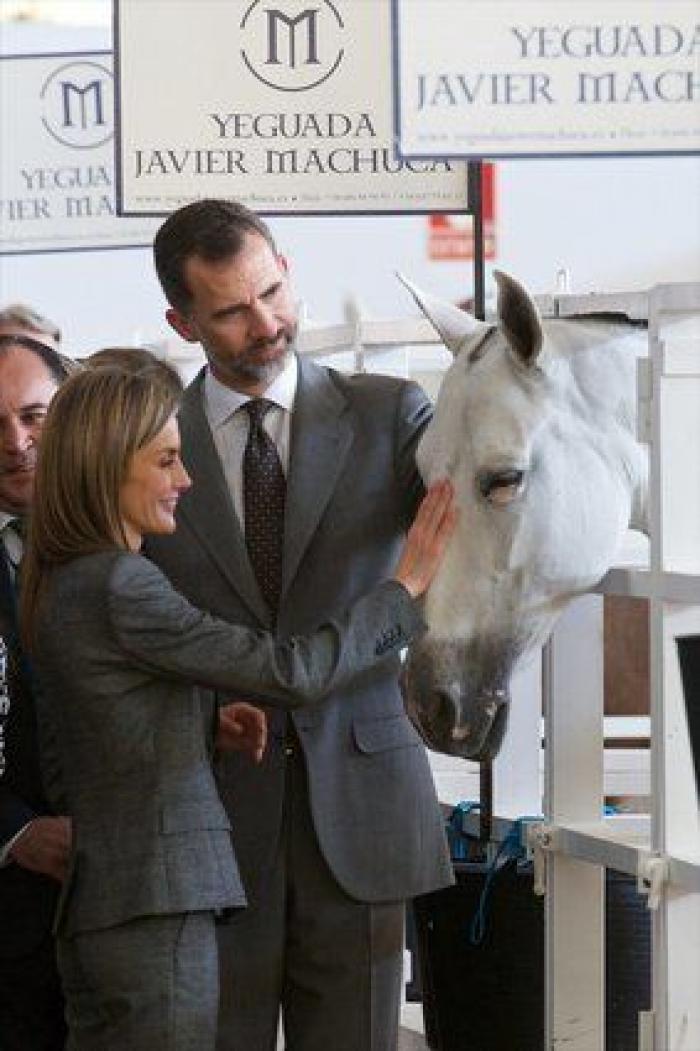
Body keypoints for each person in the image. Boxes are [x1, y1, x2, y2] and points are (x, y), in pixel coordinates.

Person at [20, 362, 455, 1051]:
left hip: (118, 908)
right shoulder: (123, 585)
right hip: (154, 912)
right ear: (106, 467)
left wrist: (201, 723)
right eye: (165, 460)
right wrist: (404, 588)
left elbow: (100, 727)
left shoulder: (69, 578)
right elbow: (290, 669)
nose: (185, 481)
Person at [148, 198, 456, 1051]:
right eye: (233, 311)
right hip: (210, 818)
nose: (268, 323)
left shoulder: (393, 415)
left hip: (363, 811)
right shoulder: (147, 444)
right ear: (182, 320)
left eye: (274, 291)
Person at [0, 333, 71, 1050]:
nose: (16, 443)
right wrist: (13, 830)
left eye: (33, 415)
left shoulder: (141, 532)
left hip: (130, 915)